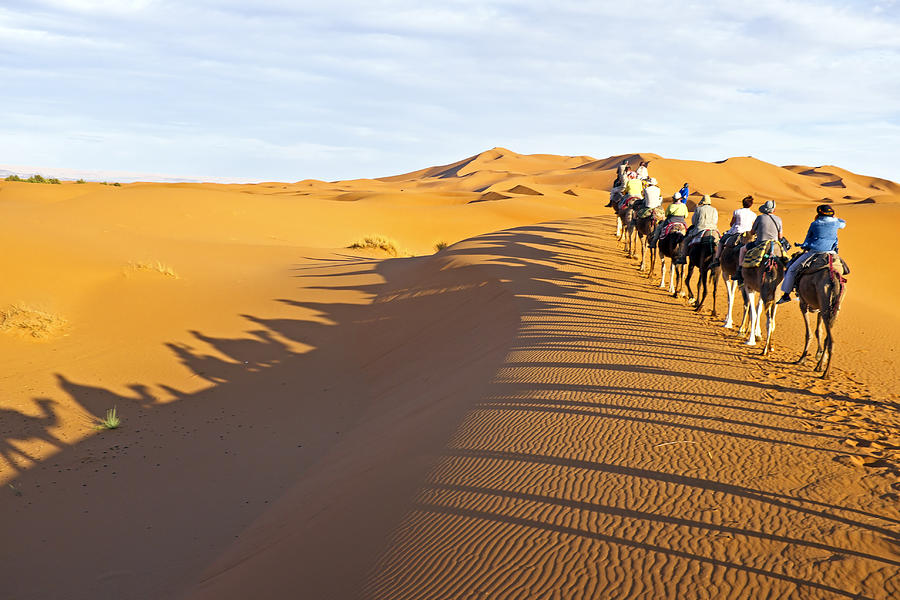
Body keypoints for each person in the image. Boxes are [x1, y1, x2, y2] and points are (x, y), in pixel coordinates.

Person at [777, 204, 846, 303]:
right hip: (831, 252)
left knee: (792, 269)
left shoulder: (815, 223)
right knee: (844, 268)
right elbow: (843, 224)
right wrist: (835, 217)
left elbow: (808, 239)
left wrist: (804, 245)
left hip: (814, 252)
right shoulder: (836, 222)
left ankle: (786, 295)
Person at [735, 200, 782, 282]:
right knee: (784, 255)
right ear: (773, 210)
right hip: (774, 244)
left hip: (760, 243)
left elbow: (752, 232)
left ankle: (739, 270)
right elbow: (780, 236)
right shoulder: (778, 219)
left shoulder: (760, 218)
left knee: (742, 249)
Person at [713, 195, 756, 264]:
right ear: (751, 205)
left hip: (736, 232)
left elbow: (731, 224)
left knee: (721, 241)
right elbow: (753, 226)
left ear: (743, 203)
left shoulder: (737, 212)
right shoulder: (753, 214)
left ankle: (717, 258)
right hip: (748, 235)